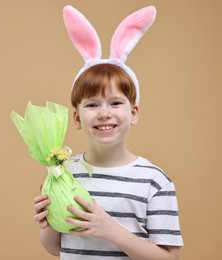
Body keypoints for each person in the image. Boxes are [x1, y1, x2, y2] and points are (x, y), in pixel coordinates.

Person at [33, 5, 183, 260]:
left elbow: (171, 259)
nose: (104, 113)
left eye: (115, 103)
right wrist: (48, 224)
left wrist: (111, 230)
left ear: (133, 113)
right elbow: (55, 248)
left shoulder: (154, 182)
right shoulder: (63, 172)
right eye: (92, 105)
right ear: (78, 118)